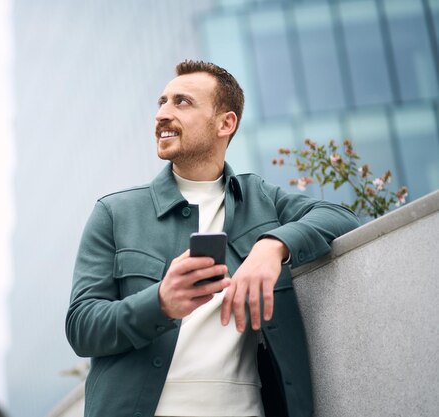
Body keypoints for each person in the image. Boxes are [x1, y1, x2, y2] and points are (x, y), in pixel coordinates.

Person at [66, 60, 360, 417]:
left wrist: (272, 247)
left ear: (226, 123)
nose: (162, 114)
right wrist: (159, 303)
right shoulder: (115, 212)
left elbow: (341, 218)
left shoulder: (260, 199)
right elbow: (82, 327)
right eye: (162, 102)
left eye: (182, 102)